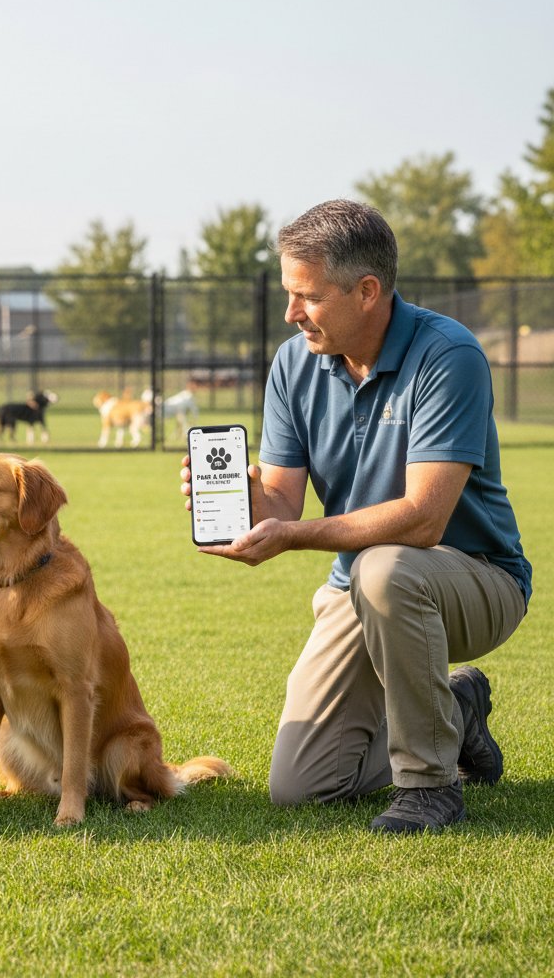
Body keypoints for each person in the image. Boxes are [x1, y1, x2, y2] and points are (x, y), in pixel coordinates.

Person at [181, 199, 531, 834]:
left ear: (367, 291)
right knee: (302, 785)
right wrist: (244, 503)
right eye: (290, 294)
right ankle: (454, 706)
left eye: (306, 296)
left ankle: (431, 786)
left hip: (476, 579)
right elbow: (282, 502)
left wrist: (292, 537)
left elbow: (423, 520)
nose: (291, 314)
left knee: (384, 568)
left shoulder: (448, 355)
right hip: (364, 586)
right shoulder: (294, 362)